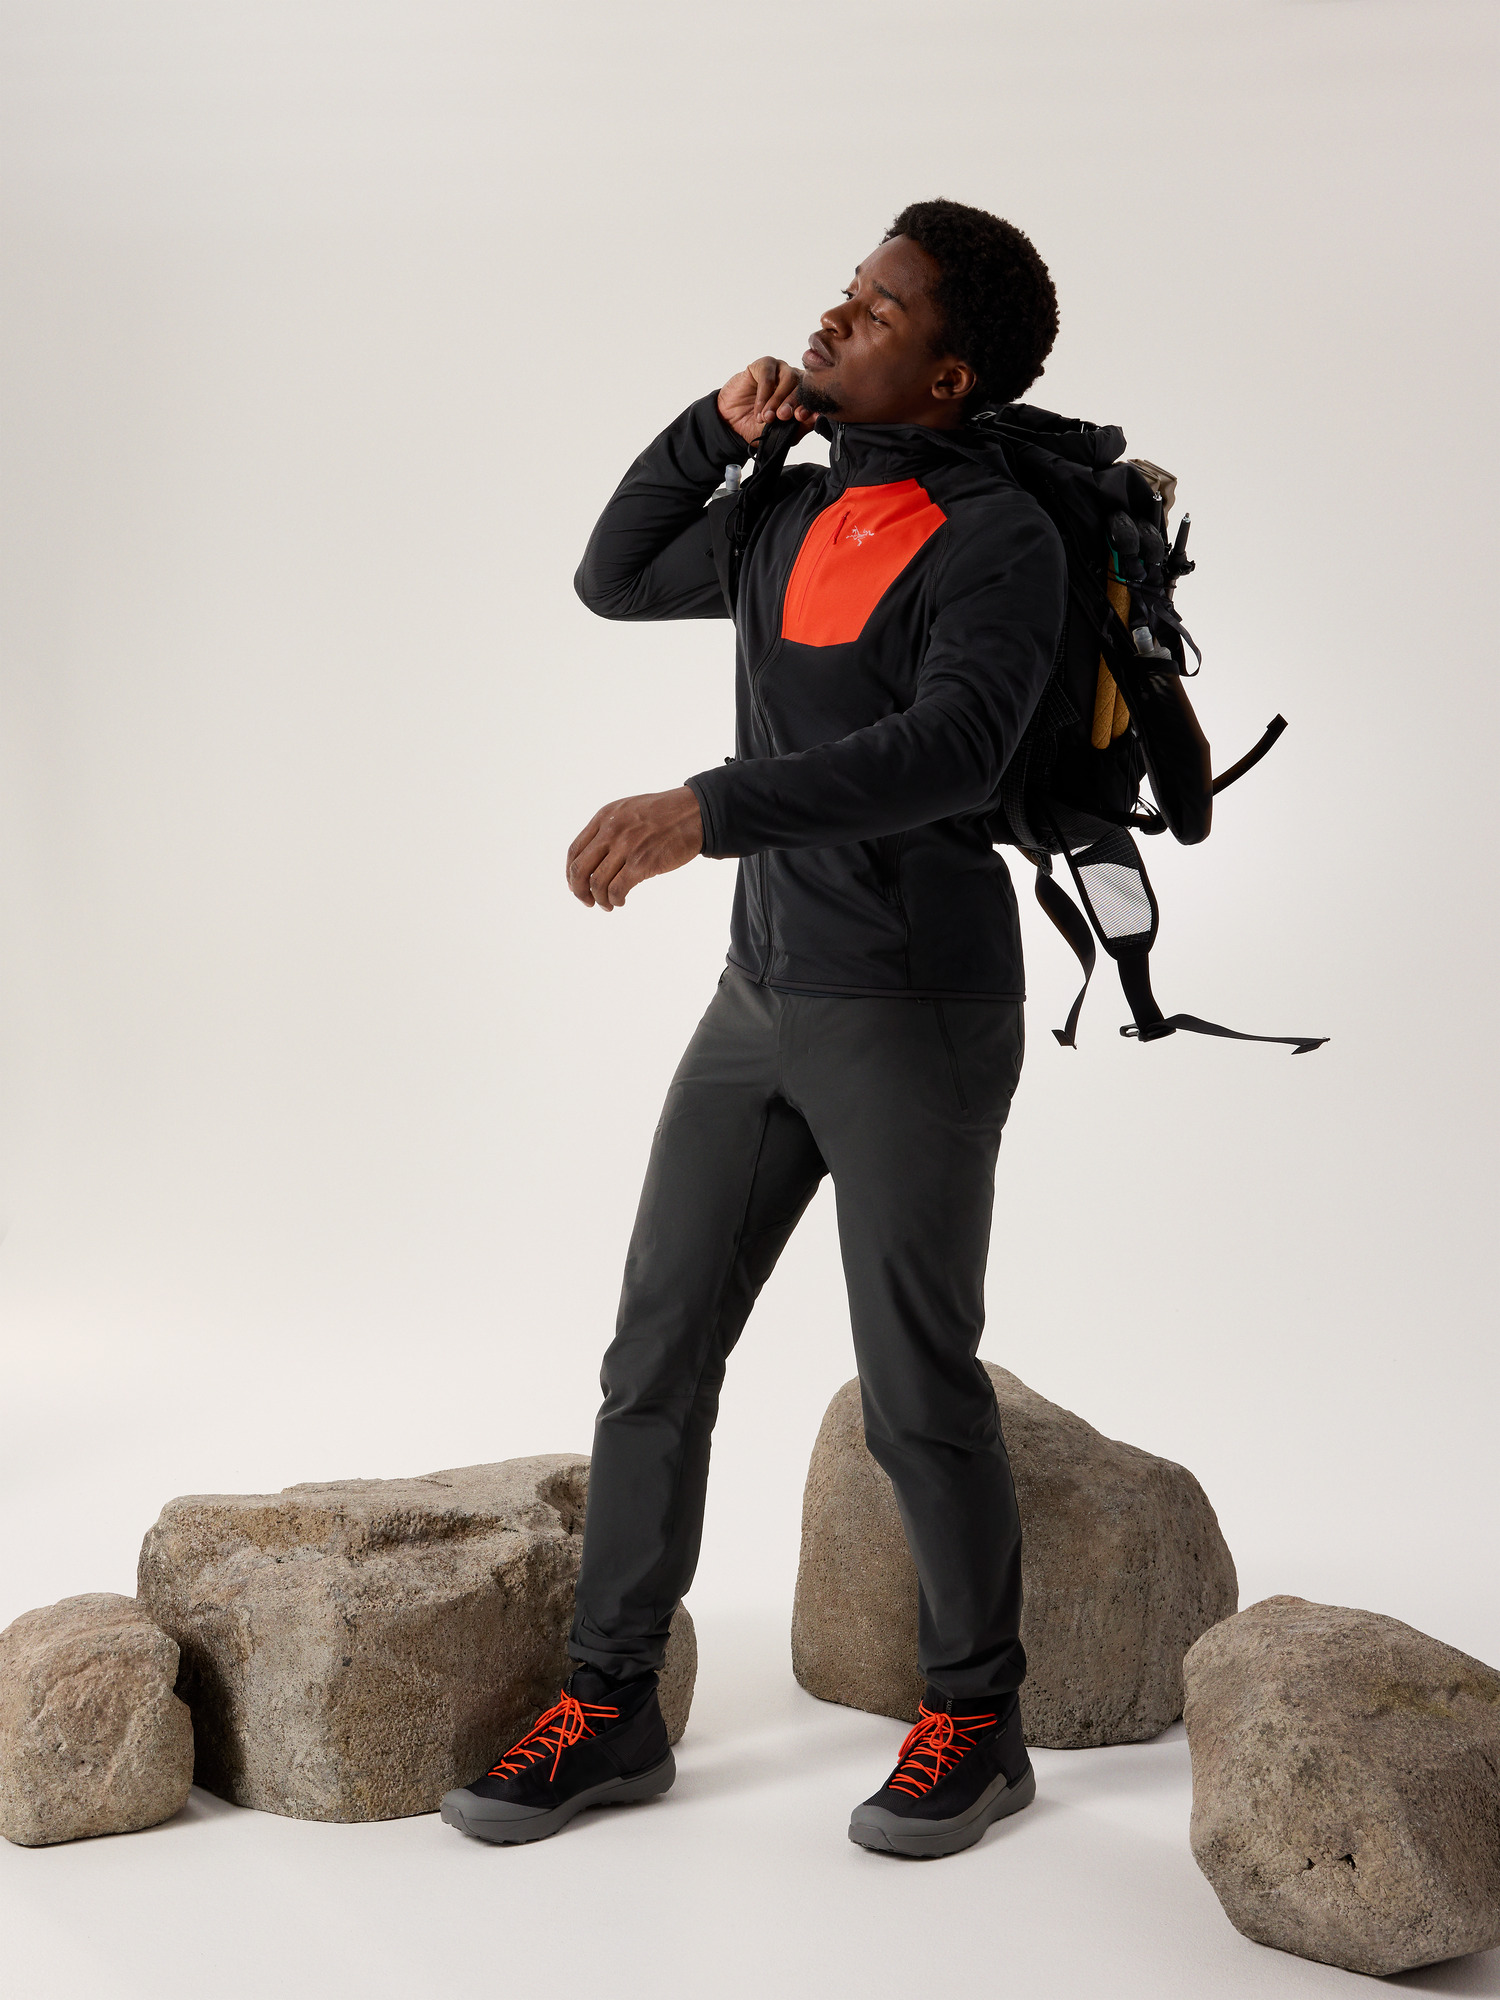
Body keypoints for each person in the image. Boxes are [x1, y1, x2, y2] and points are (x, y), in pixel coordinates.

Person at [441, 198, 1066, 1859]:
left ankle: (979, 1723)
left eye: (882, 308)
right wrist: (714, 435)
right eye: (846, 289)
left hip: (915, 1008)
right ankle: (612, 1706)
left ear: (950, 376)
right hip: (760, 997)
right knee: (654, 1355)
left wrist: (705, 809)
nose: (837, 315)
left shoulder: (999, 539)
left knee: (914, 1384)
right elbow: (612, 575)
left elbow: (952, 750)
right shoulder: (788, 508)